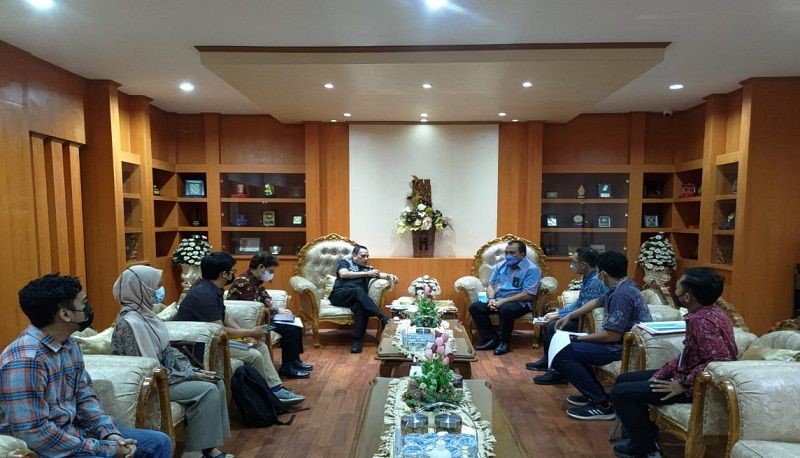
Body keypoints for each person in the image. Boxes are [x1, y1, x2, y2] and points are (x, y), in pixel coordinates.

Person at [0, 273, 172, 458]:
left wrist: (110, 433)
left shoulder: (69, 344)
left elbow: (85, 397)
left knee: (158, 442)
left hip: (75, 432)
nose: (88, 309)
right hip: (44, 448)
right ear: (65, 314)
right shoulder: (25, 361)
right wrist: (106, 449)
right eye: (83, 304)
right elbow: (34, 435)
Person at [609, 268, 736, 458]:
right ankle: (642, 439)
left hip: (700, 387)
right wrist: (661, 374)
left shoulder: (702, 321)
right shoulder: (710, 312)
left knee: (621, 393)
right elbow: (688, 354)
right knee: (625, 379)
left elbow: (719, 361)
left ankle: (647, 450)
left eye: (676, 288)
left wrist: (682, 384)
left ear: (687, 297)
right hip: (689, 375)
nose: (673, 291)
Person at [110, 266, 232, 458]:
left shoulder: (148, 316)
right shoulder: (129, 324)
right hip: (154, 384)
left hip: (168, 375)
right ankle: (193, 452)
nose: (160, 290)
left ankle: (209, 446)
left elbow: (169, 351)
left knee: (216, 381)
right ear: (141, 288)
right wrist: (189, 376)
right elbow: (145, 368)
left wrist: (192, 370)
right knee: (207, 390)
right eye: (156, 286)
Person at [175, 252, 304, 404]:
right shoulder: (204, 294)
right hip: (201, 345)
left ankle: (275, 389)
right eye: (232, 271)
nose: (234, 275)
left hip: (215, 338)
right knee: (254, 355)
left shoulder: (212, 288)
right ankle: (268, 397)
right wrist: (250, 332)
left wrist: (245, 335)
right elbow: (220, 330)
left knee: (261, 346)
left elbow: (225, 316)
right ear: (224, 274)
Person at [553, 250, 651, 420]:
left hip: (625, 347)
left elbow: (611, 336)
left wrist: (578, 338)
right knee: (569, 349)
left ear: (603, 274)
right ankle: (594, 394)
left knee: (564, 353)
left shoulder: (621, 295)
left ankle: (603, 405)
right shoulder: (623, 285)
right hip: (618, 341)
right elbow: (597, 301)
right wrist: (570, 315)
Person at [528, 247, 606, 384]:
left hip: (588, 322)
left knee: (553, 326)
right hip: (581, 316)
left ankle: (559, 371)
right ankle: (548, 361)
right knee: (549, 322)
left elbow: (584, 308)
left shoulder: (594, 282)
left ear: (584, 265)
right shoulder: (587, 277)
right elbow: (579, 302)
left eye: (574, 262)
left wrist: (560, 316)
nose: (571, 265)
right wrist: (558, 313)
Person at [227, 252, 312, 378]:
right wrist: (275, 311)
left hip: (263, 318)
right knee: (289, 328)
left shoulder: (255, 280)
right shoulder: (244, 283)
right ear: (261, 267)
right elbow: (254, 308)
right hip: (255, 324)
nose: (272, 274)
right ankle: (287, 367)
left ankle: (295, 361)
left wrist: (271, 305)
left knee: (295, 322)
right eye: (271, 271)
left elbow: (265, 298)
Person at [468, 240, 542, 355]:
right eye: (506, 253)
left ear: (522, 255)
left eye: (512, 253)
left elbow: (528, 294)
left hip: (519, 302)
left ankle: (504, 342)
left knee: (505, 309)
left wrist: (503, 301)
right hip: (497, 299)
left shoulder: (531, 270)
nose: (508, 256)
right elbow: (491, 285)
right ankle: (491, 339)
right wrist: (492, 299)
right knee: (475, 307)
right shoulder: (501, 265)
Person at [329, 244, 399, 354]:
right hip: (339, 295)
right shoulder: (345, 263)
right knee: (358, 290)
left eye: (367, 256)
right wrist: (367, 273)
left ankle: (357, 341)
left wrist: (390, 275)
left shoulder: (368, 268)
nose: (366, 259)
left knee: (361, 306)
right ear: (354, 255)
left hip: (356, 299)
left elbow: (380, 274)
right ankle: (381, 317)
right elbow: (343, 274)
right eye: (363, 256)